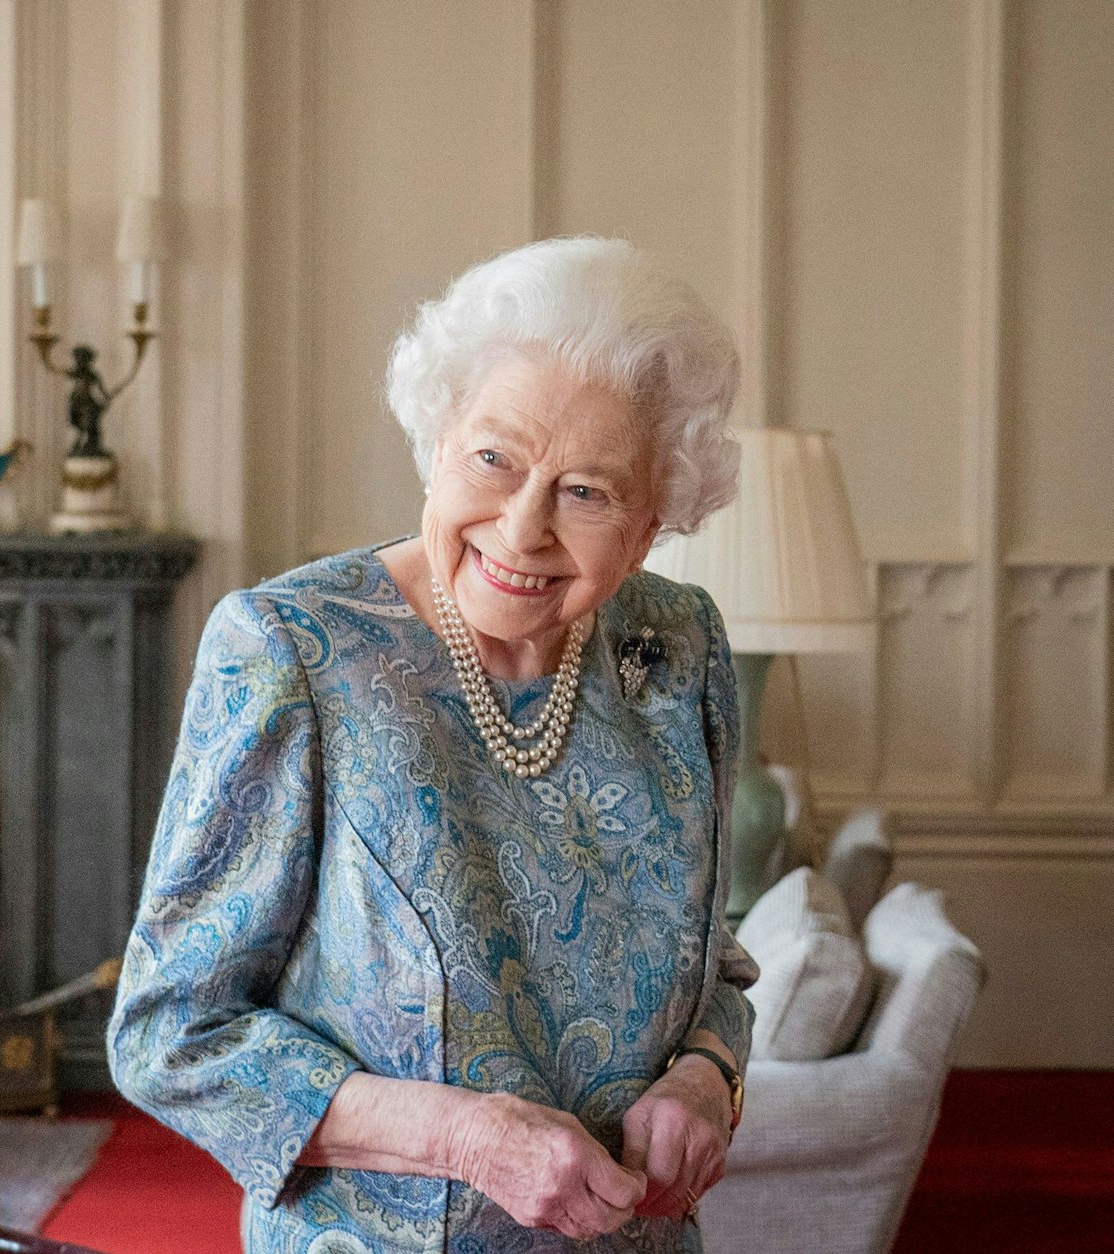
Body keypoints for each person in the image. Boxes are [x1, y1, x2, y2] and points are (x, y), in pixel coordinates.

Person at [108, 237, 758, 1252]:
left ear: (653, 519)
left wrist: (704, 1076)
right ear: (438, 436)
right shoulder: (292, 651)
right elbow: (169, 1038)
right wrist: (463, 1138)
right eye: (493, 459)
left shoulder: (677, 648)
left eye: (585, 491)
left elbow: (712, 957)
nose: (522, 527)